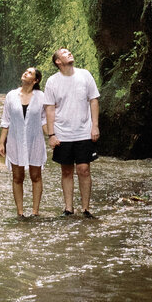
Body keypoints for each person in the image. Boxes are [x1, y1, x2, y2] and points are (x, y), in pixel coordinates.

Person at [43, 47, 100, 217]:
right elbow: (50, 110)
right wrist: (51, 135)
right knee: (66, 171)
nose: (69, 53)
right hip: (62, 133)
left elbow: (94, 101)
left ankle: (86, 209)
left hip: (84, 131)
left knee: (84, 169)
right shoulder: (52, 81)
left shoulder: (85, 75)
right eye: (64, 53)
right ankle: (68, 208)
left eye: (69, 52)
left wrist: (95, 125)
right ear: (58, 62)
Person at [0, 66, 48, 218]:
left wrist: (52, 136)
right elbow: (5, 120)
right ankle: (20, 213)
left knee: (36, 176)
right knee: (17, 177)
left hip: (35, 140)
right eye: (26, 71)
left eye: (30, 73)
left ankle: (35, 212)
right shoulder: (11, 95)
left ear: (35, 80)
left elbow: (44, 120)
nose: (26, 73)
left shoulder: (41, 96)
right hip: (15, 140)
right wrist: (1, 143)